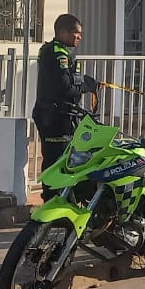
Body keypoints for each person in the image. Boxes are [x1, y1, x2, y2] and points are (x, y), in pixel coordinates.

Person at [32, 14, 98, 200]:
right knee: (56, 160)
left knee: (64, 158)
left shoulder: (59, 50)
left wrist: (85, 83)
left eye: (80, 34)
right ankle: (52, 200)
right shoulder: (56, 53)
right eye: (75, 33)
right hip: (53, 116)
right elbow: (65, 87)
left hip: (60, 115)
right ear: (62, 32)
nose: (79, 37)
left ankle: (60, 199)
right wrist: (86, 85)